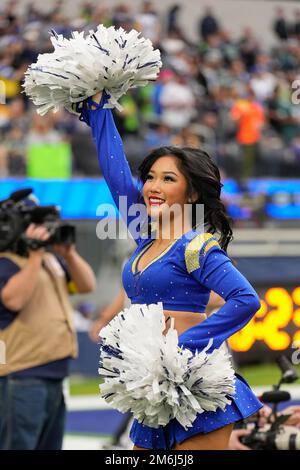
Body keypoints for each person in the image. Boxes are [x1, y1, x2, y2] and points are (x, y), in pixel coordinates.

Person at [78, 91, 262, 450]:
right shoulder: (145, 236)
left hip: (196, 386)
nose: (153, 187)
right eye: (149, 177)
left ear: (191, 194)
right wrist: (98, 111)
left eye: (167, 179)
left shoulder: (197, 246)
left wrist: (182, 348)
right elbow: (116, 176)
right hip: (155, 387)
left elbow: (245, 300)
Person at [0, 194, 96, 450]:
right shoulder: (6, 263)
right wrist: (33, 256)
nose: (45, 230)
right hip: (21, 374)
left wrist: (70, 254)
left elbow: (87, 284)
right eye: (37, 223)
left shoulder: (49, 260)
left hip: (54, 373)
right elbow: (13, 300)